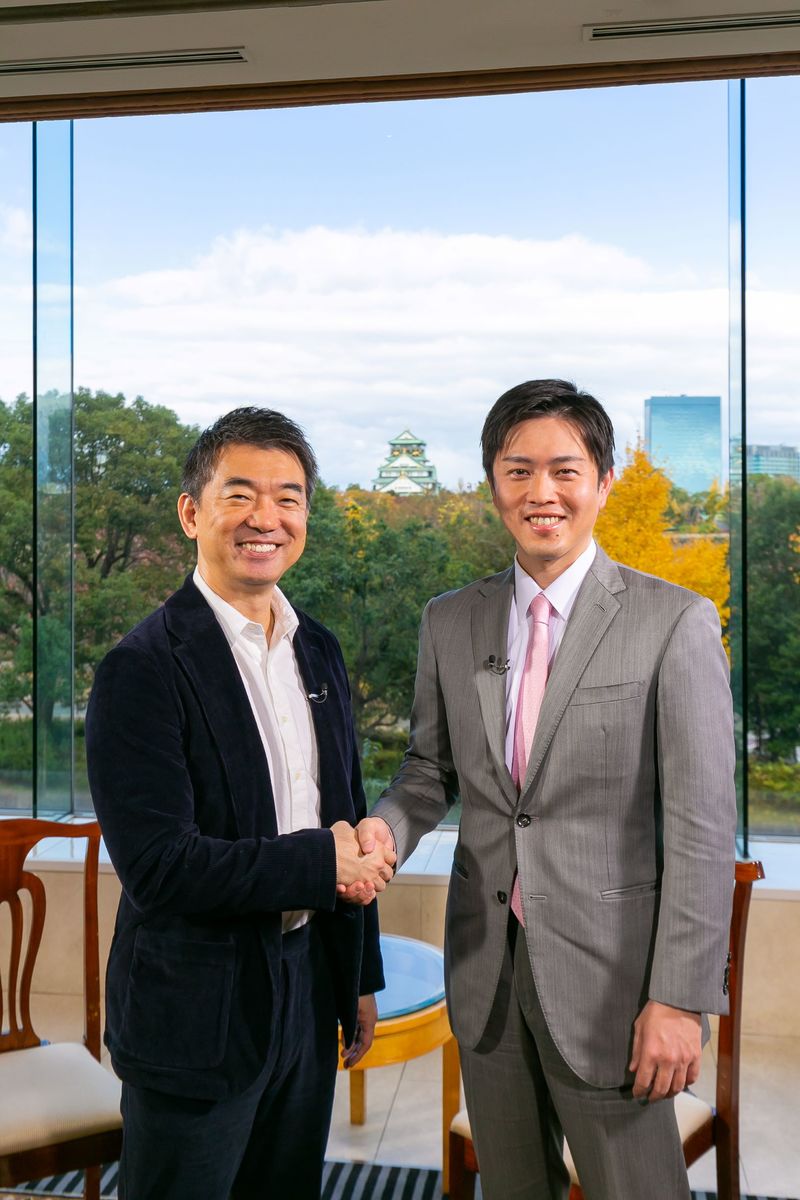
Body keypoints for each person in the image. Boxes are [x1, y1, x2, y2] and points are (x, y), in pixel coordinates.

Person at [349, 380, 737, 1199]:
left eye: (565, 470)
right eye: (518, 471)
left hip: (617, 988)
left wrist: (678, 999)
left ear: (603, 481)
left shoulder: (675, 621)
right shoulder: (449, 620)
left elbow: (702, 829)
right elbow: (428, 769)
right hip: (486, 971)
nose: (542, 492)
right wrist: (385, 828)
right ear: (493, 483)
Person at [86, 406, 395, 1200]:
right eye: (240, 495)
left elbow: (346, 809)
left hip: (307, 987)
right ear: (192, 513)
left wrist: (357, 975)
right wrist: (322, 863)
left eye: (288, 498)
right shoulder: (141, 669)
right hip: (195, 1010)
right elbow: (161, 868)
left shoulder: (317, 648)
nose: (267, 517)